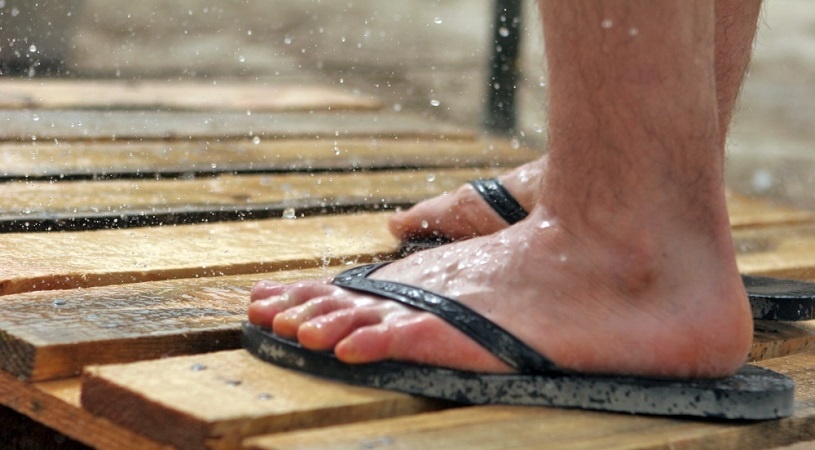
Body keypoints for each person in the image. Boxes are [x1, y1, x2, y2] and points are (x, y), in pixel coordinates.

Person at [245, 0, 786, 417]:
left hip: (626, 258)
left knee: (629, 219)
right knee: (638, 186)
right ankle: (644, 191)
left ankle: (623, 247)